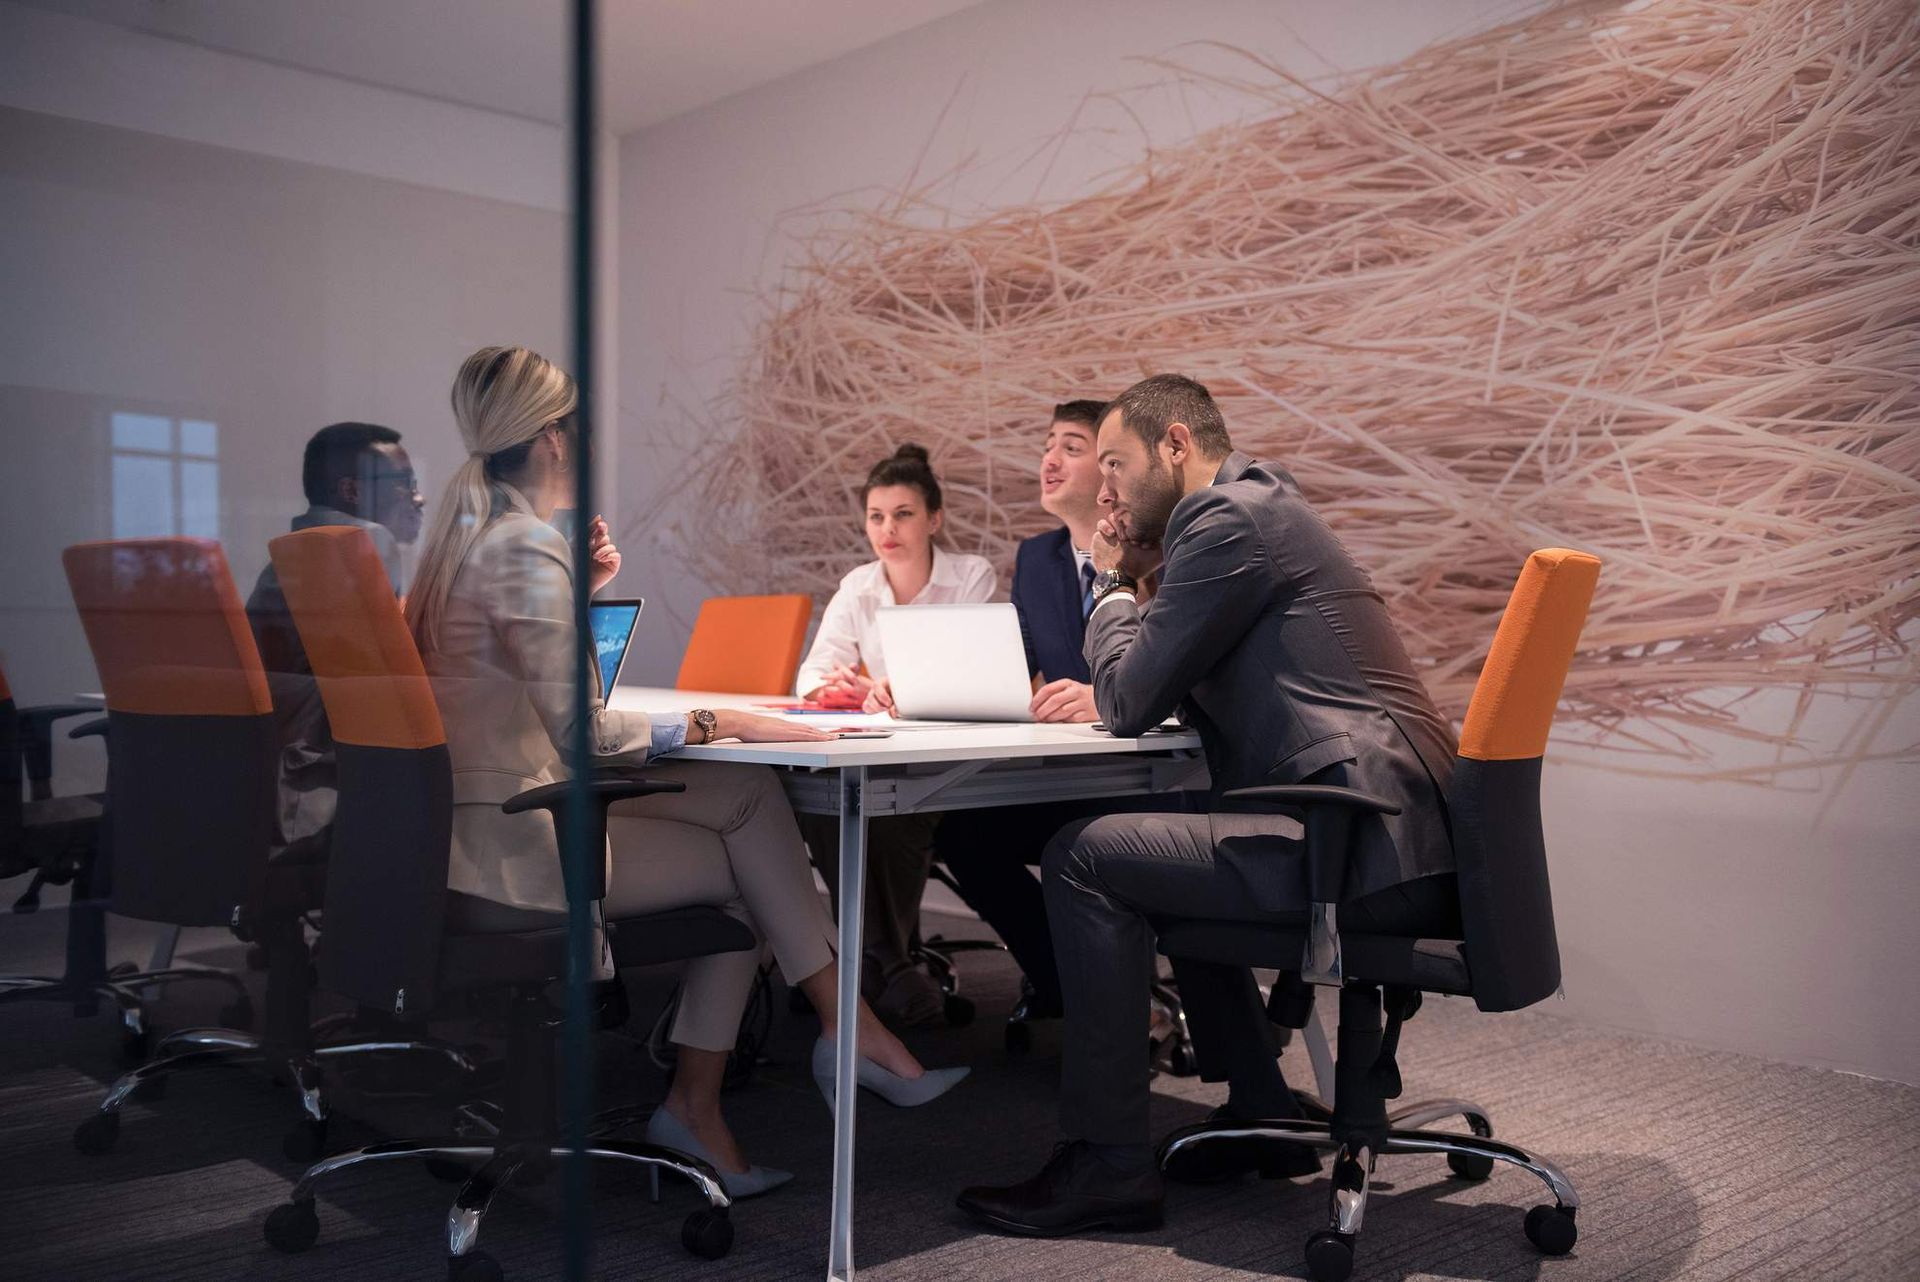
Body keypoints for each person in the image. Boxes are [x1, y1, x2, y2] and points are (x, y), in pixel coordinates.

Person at [408, 348, 965, 1199]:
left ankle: (835, 1035)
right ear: (554, 439)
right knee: (747, 874)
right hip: (518, 850)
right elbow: (586, 734)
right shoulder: (522, 546)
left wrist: (583, 596)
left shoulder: (461, 540)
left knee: (746, 793)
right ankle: (761, 1075)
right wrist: (721, 718)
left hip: (464, 829)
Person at [957, 374, 1459, 1236]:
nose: (1106, 488)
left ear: (1177, 446)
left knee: (1084, 856)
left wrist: (1112, 579)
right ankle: (1259, 1103)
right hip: (1389, 829)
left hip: (1360, 842)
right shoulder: (1258, 512)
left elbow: (1126, 698)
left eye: (1115, 462)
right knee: (1174, 839)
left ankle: (1110, 1164)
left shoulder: (1226, 522)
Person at [793, 443, 997, 1027]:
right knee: (822, 801)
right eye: (876, 516)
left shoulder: (970, 576)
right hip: (879, 755)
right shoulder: (857, 585)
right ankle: (888, 963)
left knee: (885, 814)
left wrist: (888, 686)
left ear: (934, 519)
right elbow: (811, 675)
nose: (888, 529)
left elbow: (972, 672)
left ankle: (867, 966)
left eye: (903, 514)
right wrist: (836, 684)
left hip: (947, 764)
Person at [934, 400, 1116, 1023]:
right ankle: (1068, 987)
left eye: (1071, 445)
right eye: (1048, 444)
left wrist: (1108, 697)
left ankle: (1099, 999)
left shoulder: (1154, 551)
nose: (1050, 458)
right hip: (1070, 770)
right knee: (962, 832)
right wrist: (924, 688)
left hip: (1145, 775)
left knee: (1073, 849)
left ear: (1112, 466)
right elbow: (1019, 665)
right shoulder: (1037, 557)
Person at [246, 421, 425, 857]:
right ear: (352, 491)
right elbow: (387, 685)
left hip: (264, 775)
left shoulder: (297, 552)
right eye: (404, 484)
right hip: (320, 781)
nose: (418, 498)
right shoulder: (361, 544)